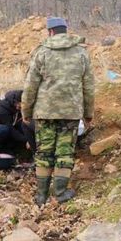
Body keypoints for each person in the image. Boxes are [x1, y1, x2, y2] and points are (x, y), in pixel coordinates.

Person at [22, 17, 94, 206]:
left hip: (45, 113)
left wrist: (26, 110)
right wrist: (88, 113)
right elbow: (88, 86)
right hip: (70, 112)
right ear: (65, 31)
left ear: (50, 32)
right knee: (64, 153)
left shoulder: (41, 52)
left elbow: (30, 86)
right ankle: (60, 193)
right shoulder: (81, 53)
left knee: (44, 152)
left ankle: (41, 196)